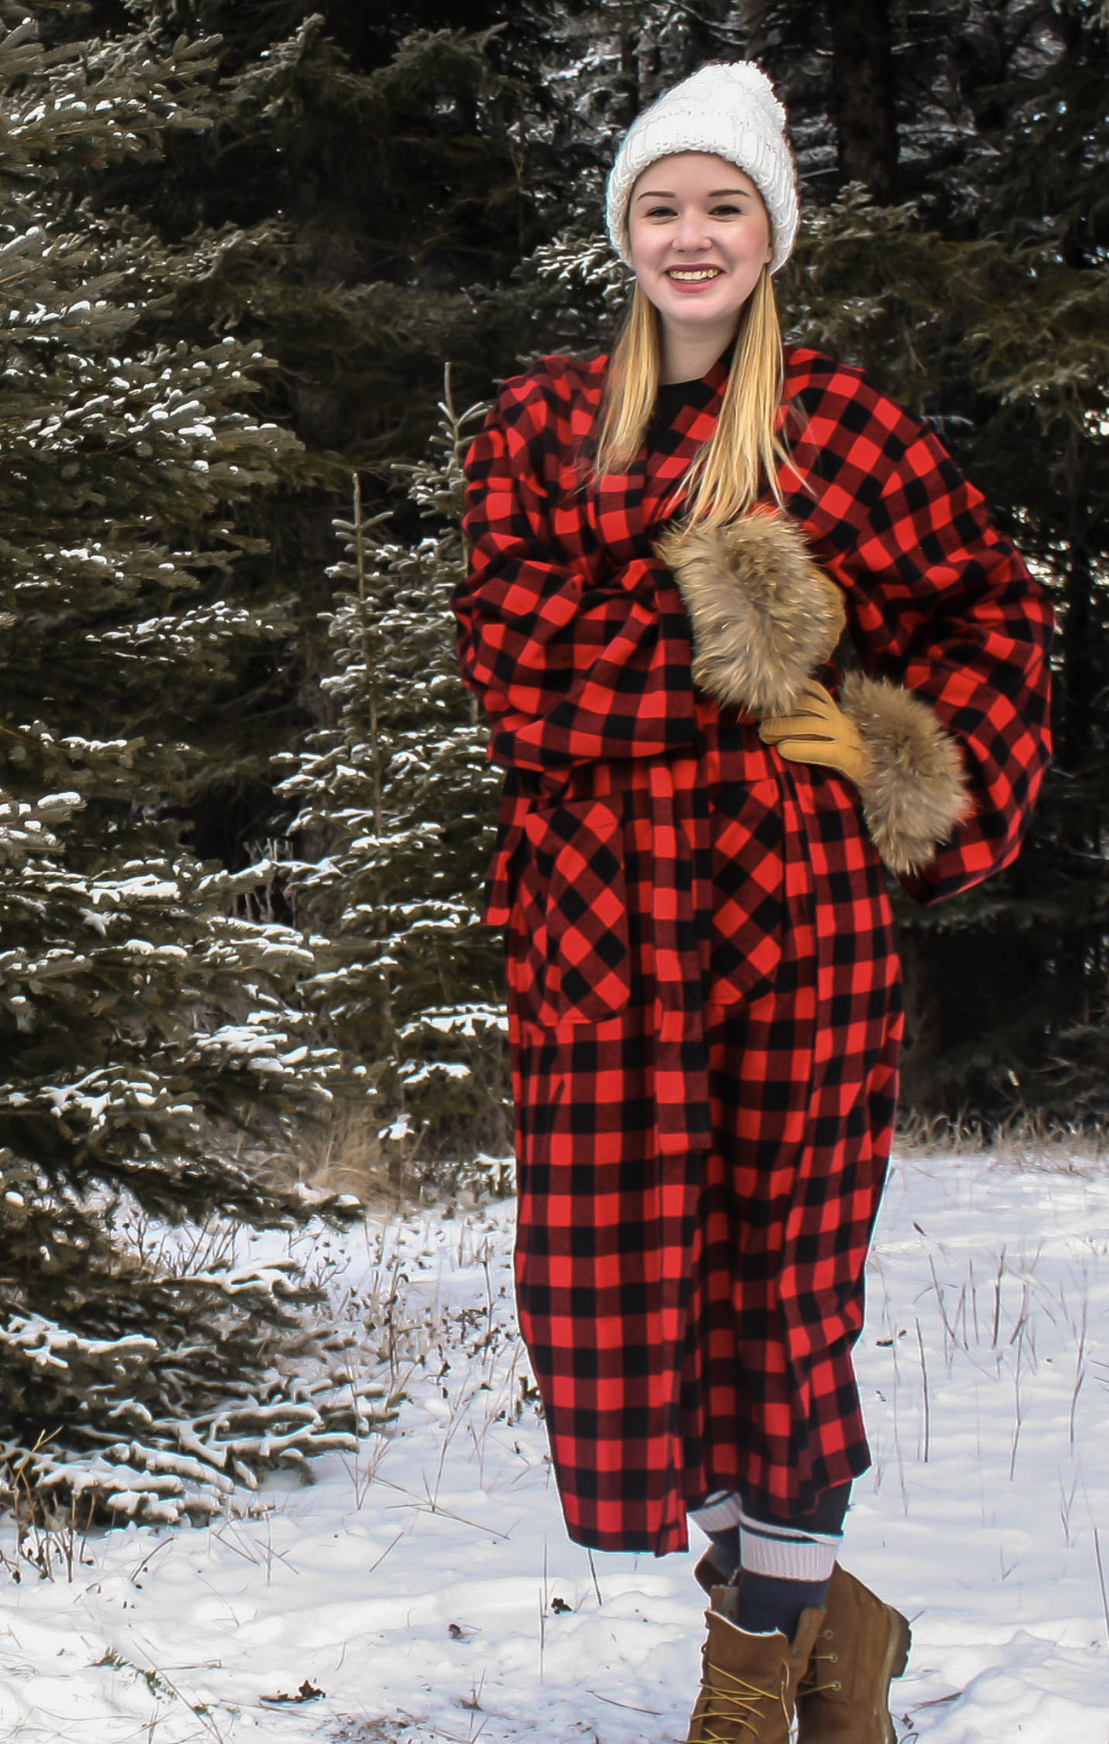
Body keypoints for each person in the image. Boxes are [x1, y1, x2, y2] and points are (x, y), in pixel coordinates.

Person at [452, 59, 1054, 1744]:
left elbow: (993, 616)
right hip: (599, 914)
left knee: (783, 1284)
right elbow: (515, 665)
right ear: (624, 233)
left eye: (725, 206)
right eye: (662, 207)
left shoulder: (847, 427)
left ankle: (747, 1683)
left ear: (771, 232)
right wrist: (744, 620)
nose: (692, 235)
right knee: (614, 1297)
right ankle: (830, 1622)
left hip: (797, 906)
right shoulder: (542, 425)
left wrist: (883, 744)